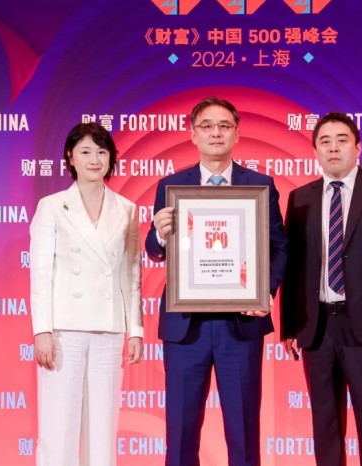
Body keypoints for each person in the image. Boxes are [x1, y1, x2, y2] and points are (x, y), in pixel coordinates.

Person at [145, 97, 287, 466]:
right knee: (180, 433)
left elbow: (278, 247)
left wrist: (265, 290)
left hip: (240, 324)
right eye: (206, 126)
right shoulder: (171, 185)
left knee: (243, 431)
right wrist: (159, 234)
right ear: (193, 135)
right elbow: (154, 250)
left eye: (224, 126)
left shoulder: (260, 185)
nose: (216, 133)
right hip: (185, 326)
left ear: (237, 134)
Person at [281, 112, 362, 466]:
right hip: (317, 328)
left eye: (341, 140)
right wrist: (290, 326)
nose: (333, 148)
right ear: (315, 151)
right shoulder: (300, 198)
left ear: (358, 147)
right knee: (325, 424)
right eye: (325, 142)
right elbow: (293, 268)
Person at [29, 122, 143, 466]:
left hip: (109, 330)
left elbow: (130, 274)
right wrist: (42, 330)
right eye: (86, 151)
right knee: (59, 422)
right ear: (70, 157)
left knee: (103, 425)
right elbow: (41, 274)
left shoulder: (126, 209)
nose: (95, 159)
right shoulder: (52, 206)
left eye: (102, 152)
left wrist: (135, 330)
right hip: (64, 330)